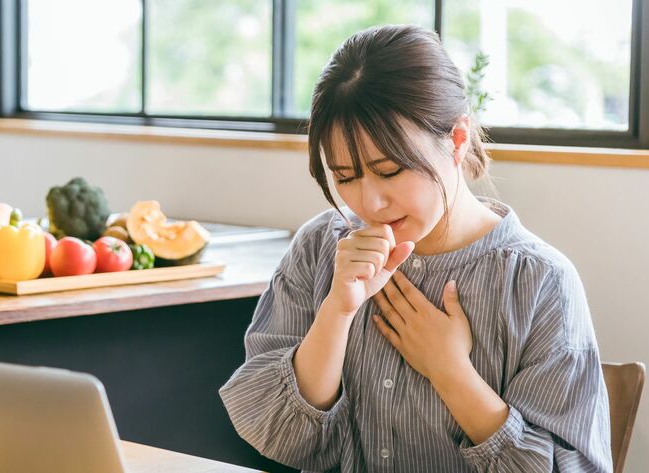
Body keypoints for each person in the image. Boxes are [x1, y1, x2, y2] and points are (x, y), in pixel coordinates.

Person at [219, 24, 612, 472]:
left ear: (457, 140)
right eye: (345, 177)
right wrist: (337, 312)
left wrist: (450, 372)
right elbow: (274, 435)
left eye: (389, 171)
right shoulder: (319, 247)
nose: (370, 202)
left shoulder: (539, 281)